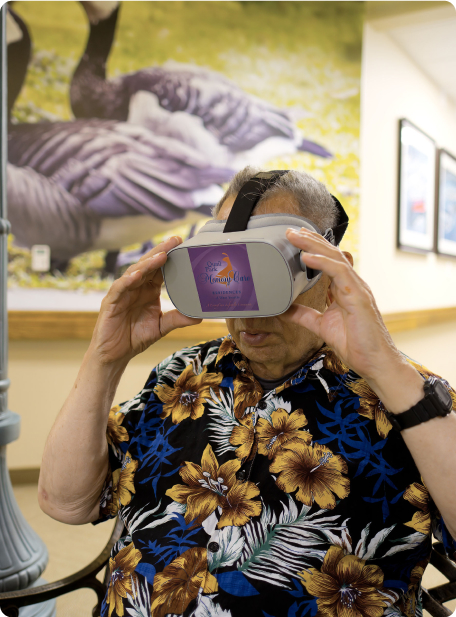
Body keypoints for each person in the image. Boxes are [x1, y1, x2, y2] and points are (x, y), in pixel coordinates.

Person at [38, 167, 456, 617]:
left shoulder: (409, 395)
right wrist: (105, 358)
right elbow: (66, 502)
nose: (247, 310)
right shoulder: (182, 374)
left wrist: (385, 370)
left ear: (330, 273)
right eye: (229, 272)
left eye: (268, 273)